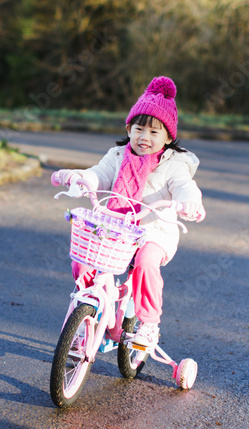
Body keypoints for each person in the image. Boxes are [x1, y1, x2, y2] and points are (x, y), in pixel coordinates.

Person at [51, 75, 205, 347]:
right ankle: (89, 310)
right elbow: (99, 174)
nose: (144, 137)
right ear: (129, 128)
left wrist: (188, 201)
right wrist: (80, 178)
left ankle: (149, 323)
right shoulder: (118, 155)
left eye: (154, 132)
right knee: (82, 259)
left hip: (153, 231)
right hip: (115, 227)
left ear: (168, 137)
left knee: (146, 262)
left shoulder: (174, 164)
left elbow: (184, 186)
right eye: (138, 129)